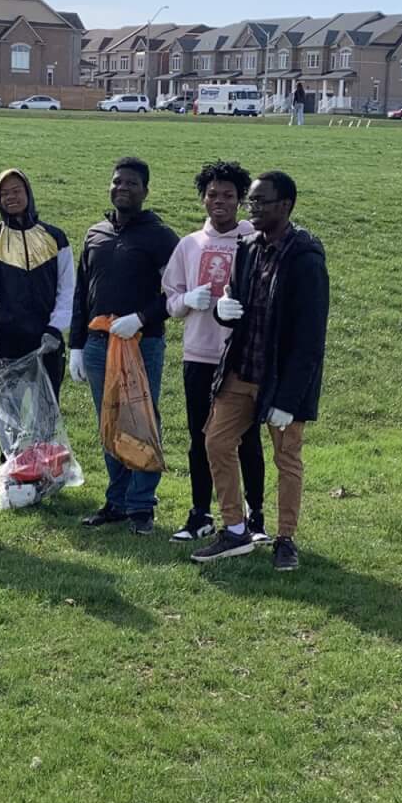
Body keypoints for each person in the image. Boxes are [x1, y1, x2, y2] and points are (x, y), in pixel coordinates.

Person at [192, 170, 328, 573]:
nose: (252, 208)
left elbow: (310, 339)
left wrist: (288, 400)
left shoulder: (305, 258)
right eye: (250, 201)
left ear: (285, 205)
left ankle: (285, 539)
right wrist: (224, 310)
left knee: (287, 458)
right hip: (241, 369)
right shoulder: (248, 247)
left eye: (260, 201)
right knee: (216, 441)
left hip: (282, 379)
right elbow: (235, 300)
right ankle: (235, 529)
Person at [70, 156, 178, 535]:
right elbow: (82, 292)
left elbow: (175, 294)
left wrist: (142, 318)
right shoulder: (95, 234)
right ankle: (116, 501)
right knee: (110, 420)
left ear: (145, 190)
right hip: (99, 344)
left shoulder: (161, 237)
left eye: (132, 183)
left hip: (141, 343)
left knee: (141, 420)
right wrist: (76, 345)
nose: (123, 188)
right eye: (118, 181)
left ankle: (141, 504)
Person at [162, 160, 264, 544]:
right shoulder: (189, 245)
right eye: (212, 194)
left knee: (247, 438)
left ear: (240, 200)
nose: (219, 201)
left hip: (242, 356)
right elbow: (170, 300)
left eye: (228, 195)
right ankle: (200, 513)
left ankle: (255, 516)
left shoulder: (254, 240)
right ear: (203, 199)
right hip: (199, 353)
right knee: (199, 436)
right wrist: (187, 299)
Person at [0, 167, 75, 423]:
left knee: (47, 421)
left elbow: (68, 288)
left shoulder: (55, 237)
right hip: (7, 343)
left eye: (16, 191)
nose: (11, 197)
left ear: (28, 193)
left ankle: (46, 452)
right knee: (11, 422)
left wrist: (56, 328)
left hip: (47, 343)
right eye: (4, 193)